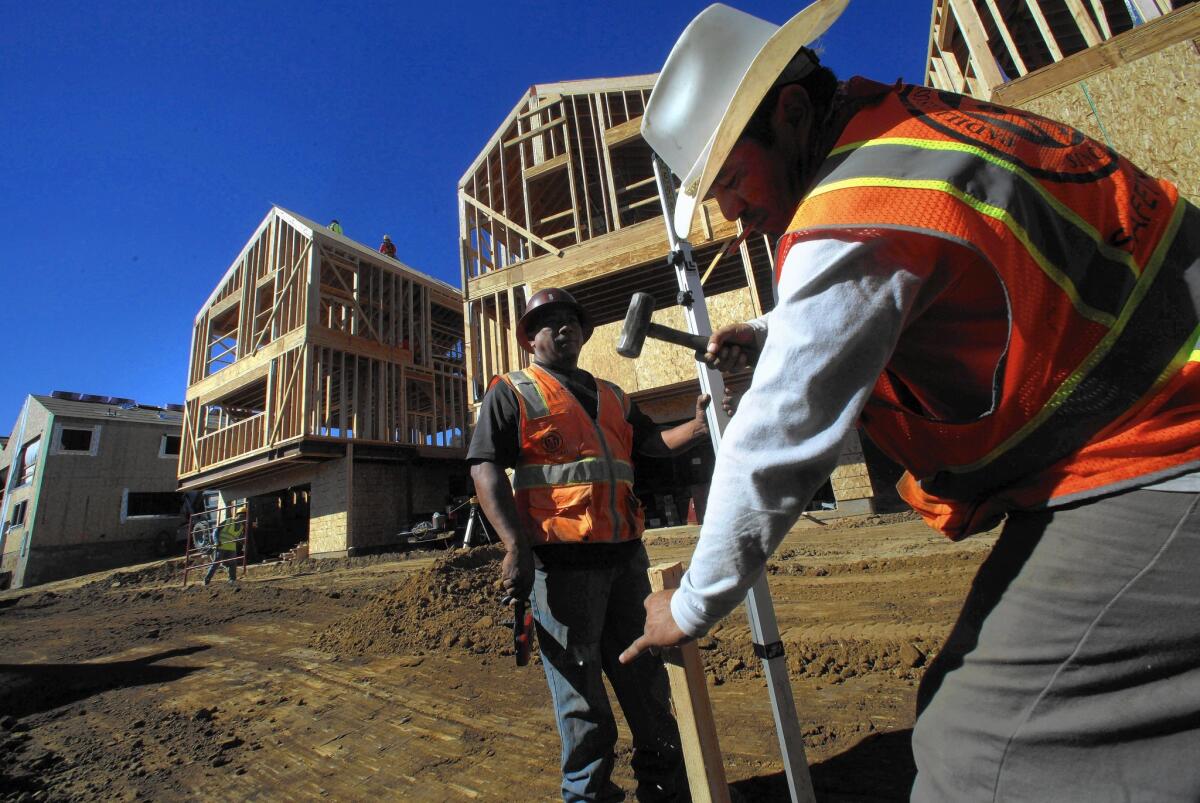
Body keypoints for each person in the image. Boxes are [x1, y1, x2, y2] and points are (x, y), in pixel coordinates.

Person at [622, 2, 1200, 800]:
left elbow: (773, 439)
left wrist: (686, 608)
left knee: (979, 755)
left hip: (1164, 440)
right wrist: (772, 329)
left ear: (790, 114)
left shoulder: (851, 210)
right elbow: (897, 271)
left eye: (730, 178)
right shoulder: (911, 130)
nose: (732, 211)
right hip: (1149, 422)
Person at [469, 287, 710, 802]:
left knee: (647, 680)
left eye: (571, 320)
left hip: (626, 561)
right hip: (562, 567)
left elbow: (653, 445)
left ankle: (665, 787)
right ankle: (588, 795)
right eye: (550, 322)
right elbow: (484, 466)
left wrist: (700, 422)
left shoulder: (614, 396)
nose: (564, 328)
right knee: (581, 696)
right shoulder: (513, 391)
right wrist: (515, 546)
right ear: (529, 339)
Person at [203, 510, 242, 585]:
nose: (242, 518)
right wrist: (216, 541)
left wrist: (243, 544)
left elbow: (238, 537)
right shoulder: (229, 521)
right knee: (216, 563)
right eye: (241, 516)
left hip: (231, 548)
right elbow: (216, 531)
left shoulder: (241, 527)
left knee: (232, 564)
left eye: (244, 516)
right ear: (236, 515)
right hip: (221, 546)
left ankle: (232, 580)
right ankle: (207, 579)